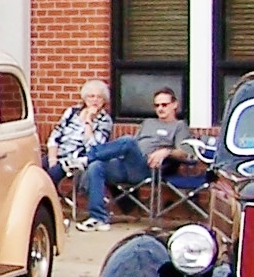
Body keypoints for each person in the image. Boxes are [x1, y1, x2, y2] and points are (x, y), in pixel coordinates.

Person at [76, 87, 194, 231]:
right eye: (157, 105)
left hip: (147, 168)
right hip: (127, 164)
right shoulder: (148, 122)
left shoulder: (179, 126)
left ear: (175, 105)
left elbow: (185, 153)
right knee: (97, 166)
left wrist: (166, 151)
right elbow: (133, 146)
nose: (160, 109)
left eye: (164, 105)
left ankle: (86, 158)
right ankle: (98, 218)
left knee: (127, 141)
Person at [46, 79, 115, 186]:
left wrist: (88, 121)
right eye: (91, 96)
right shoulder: (72, 112)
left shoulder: (105, 120)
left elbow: (94, 149)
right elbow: (55, 136)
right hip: (58, 154)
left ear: (104, 100)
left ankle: (51, 201)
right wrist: (52, 159)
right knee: (35, 171)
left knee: (50, 177)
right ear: (85, 98)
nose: (95, 100)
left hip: (78, 160)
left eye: (99, 97)